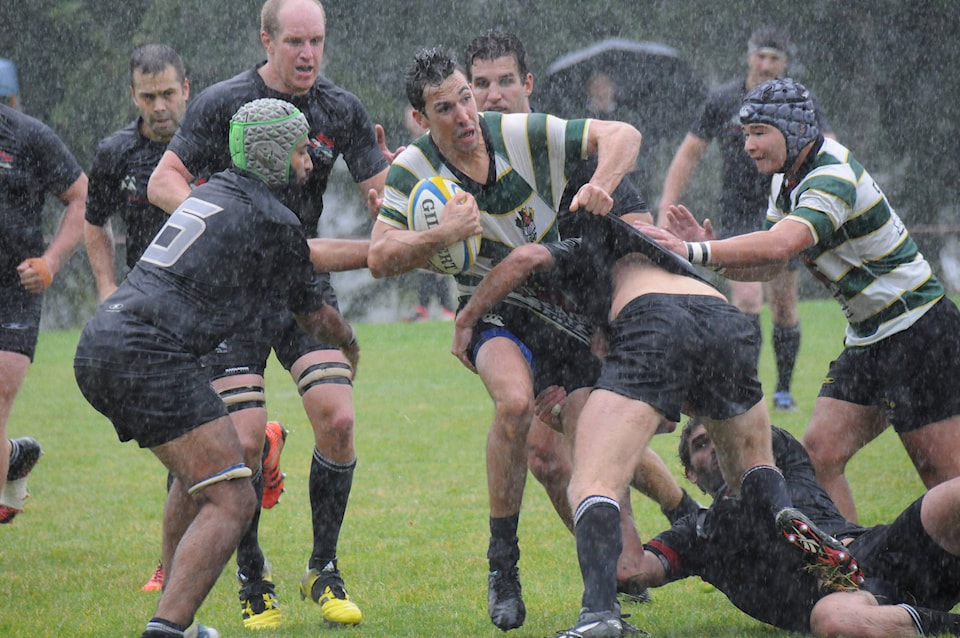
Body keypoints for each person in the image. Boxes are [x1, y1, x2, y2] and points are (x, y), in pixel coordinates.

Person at [367, 45, 685, 632]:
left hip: (563, 309)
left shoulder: (517, 132)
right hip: (491, 311)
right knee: (514, 406)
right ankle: (503, 565)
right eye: (446, 108)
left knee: (596, 444)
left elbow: (623, 135)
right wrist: (440, 233)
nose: (465, 116)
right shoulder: (414, 167)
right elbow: (379, 255)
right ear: (421, 120)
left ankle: (650, 555)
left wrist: (604, 185)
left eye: (466, 98)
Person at [451, 209, 863, 637]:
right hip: (720, 317)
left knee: (594, 481)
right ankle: (785, 514)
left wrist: (465, 318)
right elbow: (663, 414)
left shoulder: (581, 239)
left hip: (652, 319)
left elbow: (525, 259)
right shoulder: (647, 245)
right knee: (753, 466)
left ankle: (599, 617)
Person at [76, 98, 360, 638]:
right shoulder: (271, 216)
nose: (309, 161)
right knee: (233, 497)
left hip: (102, 344)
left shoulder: (214, 191)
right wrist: (352, 339)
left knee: (198, 479)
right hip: (148, 353)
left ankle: (177, 613)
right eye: (301, 150)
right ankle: (169, 626)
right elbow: (313, 310)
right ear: (277, 156)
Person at [148, 0, 388, 628]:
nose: (308, 54)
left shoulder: (342, 108)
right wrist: (219, 222)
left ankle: (324, 568)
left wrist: (395, 202)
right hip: (233, 292)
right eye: (295, 42)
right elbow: (163, 179)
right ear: (266, 40)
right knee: (245, 443)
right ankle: (253, 580)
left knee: (337, 418)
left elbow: (380, 189)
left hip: (301, 282)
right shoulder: (225, 102)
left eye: (317, 42)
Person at [655, 77, 960, 523]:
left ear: (795, 129)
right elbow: (771, 267)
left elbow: (780, 245)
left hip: (918, 333)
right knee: (819, 454)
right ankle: (858, 569)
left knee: (945, 483)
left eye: (759, 133)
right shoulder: (786, 182)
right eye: (745, 135)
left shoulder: (831, 174)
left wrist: (693, 251)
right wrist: (710, 254)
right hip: (871, 339)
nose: (749, 147)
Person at [464, 29, 700, 604]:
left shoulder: (564, 146)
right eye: (480, 84)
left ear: (528, 86)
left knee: (590, 443)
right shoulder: (465, 154)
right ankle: (634, 559)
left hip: (587, 324)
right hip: (524, 321)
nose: (492, 96)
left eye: (503, 82)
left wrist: (677, 251)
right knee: (549, 459)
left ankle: (633, 561)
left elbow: (638, 228)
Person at [83, 43, 288, 594]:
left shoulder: (211, 146)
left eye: (169, 93)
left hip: (210, 309)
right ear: (133, 96)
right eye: (148, 96)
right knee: (189, 454)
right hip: (149, 317)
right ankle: (174, 566)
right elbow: (93, 221)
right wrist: (106, 285)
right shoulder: (114, 154)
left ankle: (192, 568)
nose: (159, 105)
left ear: (187, 89)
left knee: (201, 455)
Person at [628, 418, 960, 637]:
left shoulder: (781, 457)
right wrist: (610, 485)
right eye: (701, 444)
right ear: (691, 474)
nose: (714, 445)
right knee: (834, 622)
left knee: (950, 498)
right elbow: (633, 570)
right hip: (850, 600)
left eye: (719, 435)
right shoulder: (695, 534)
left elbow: (743, 429)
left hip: (879, 549)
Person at [657, 25, 832, 412]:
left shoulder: (798, 100)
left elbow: (831, 149)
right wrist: (665, 207)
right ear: (749, 56)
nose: (766, 64)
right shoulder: (723, 99)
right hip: (736, 210)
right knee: (748, 296)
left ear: (785, 63)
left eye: (774, 58)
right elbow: (689, 154)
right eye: (761, 56)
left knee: (784, 304)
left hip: (785, 209)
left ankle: (783, 389)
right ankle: (747, 389)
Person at [0, 63, 86, 524]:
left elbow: (80, 196)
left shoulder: (29, 137)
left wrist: (51, 262)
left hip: (16, 287)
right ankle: (14, 456)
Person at [400, 103, 457, 322]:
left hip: (438, 207)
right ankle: (427, 308)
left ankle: (446, 308)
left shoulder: (439, 146)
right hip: (417, 210)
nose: (412, 123)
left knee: (437, 261)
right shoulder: (410, 149)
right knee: (424, 263)